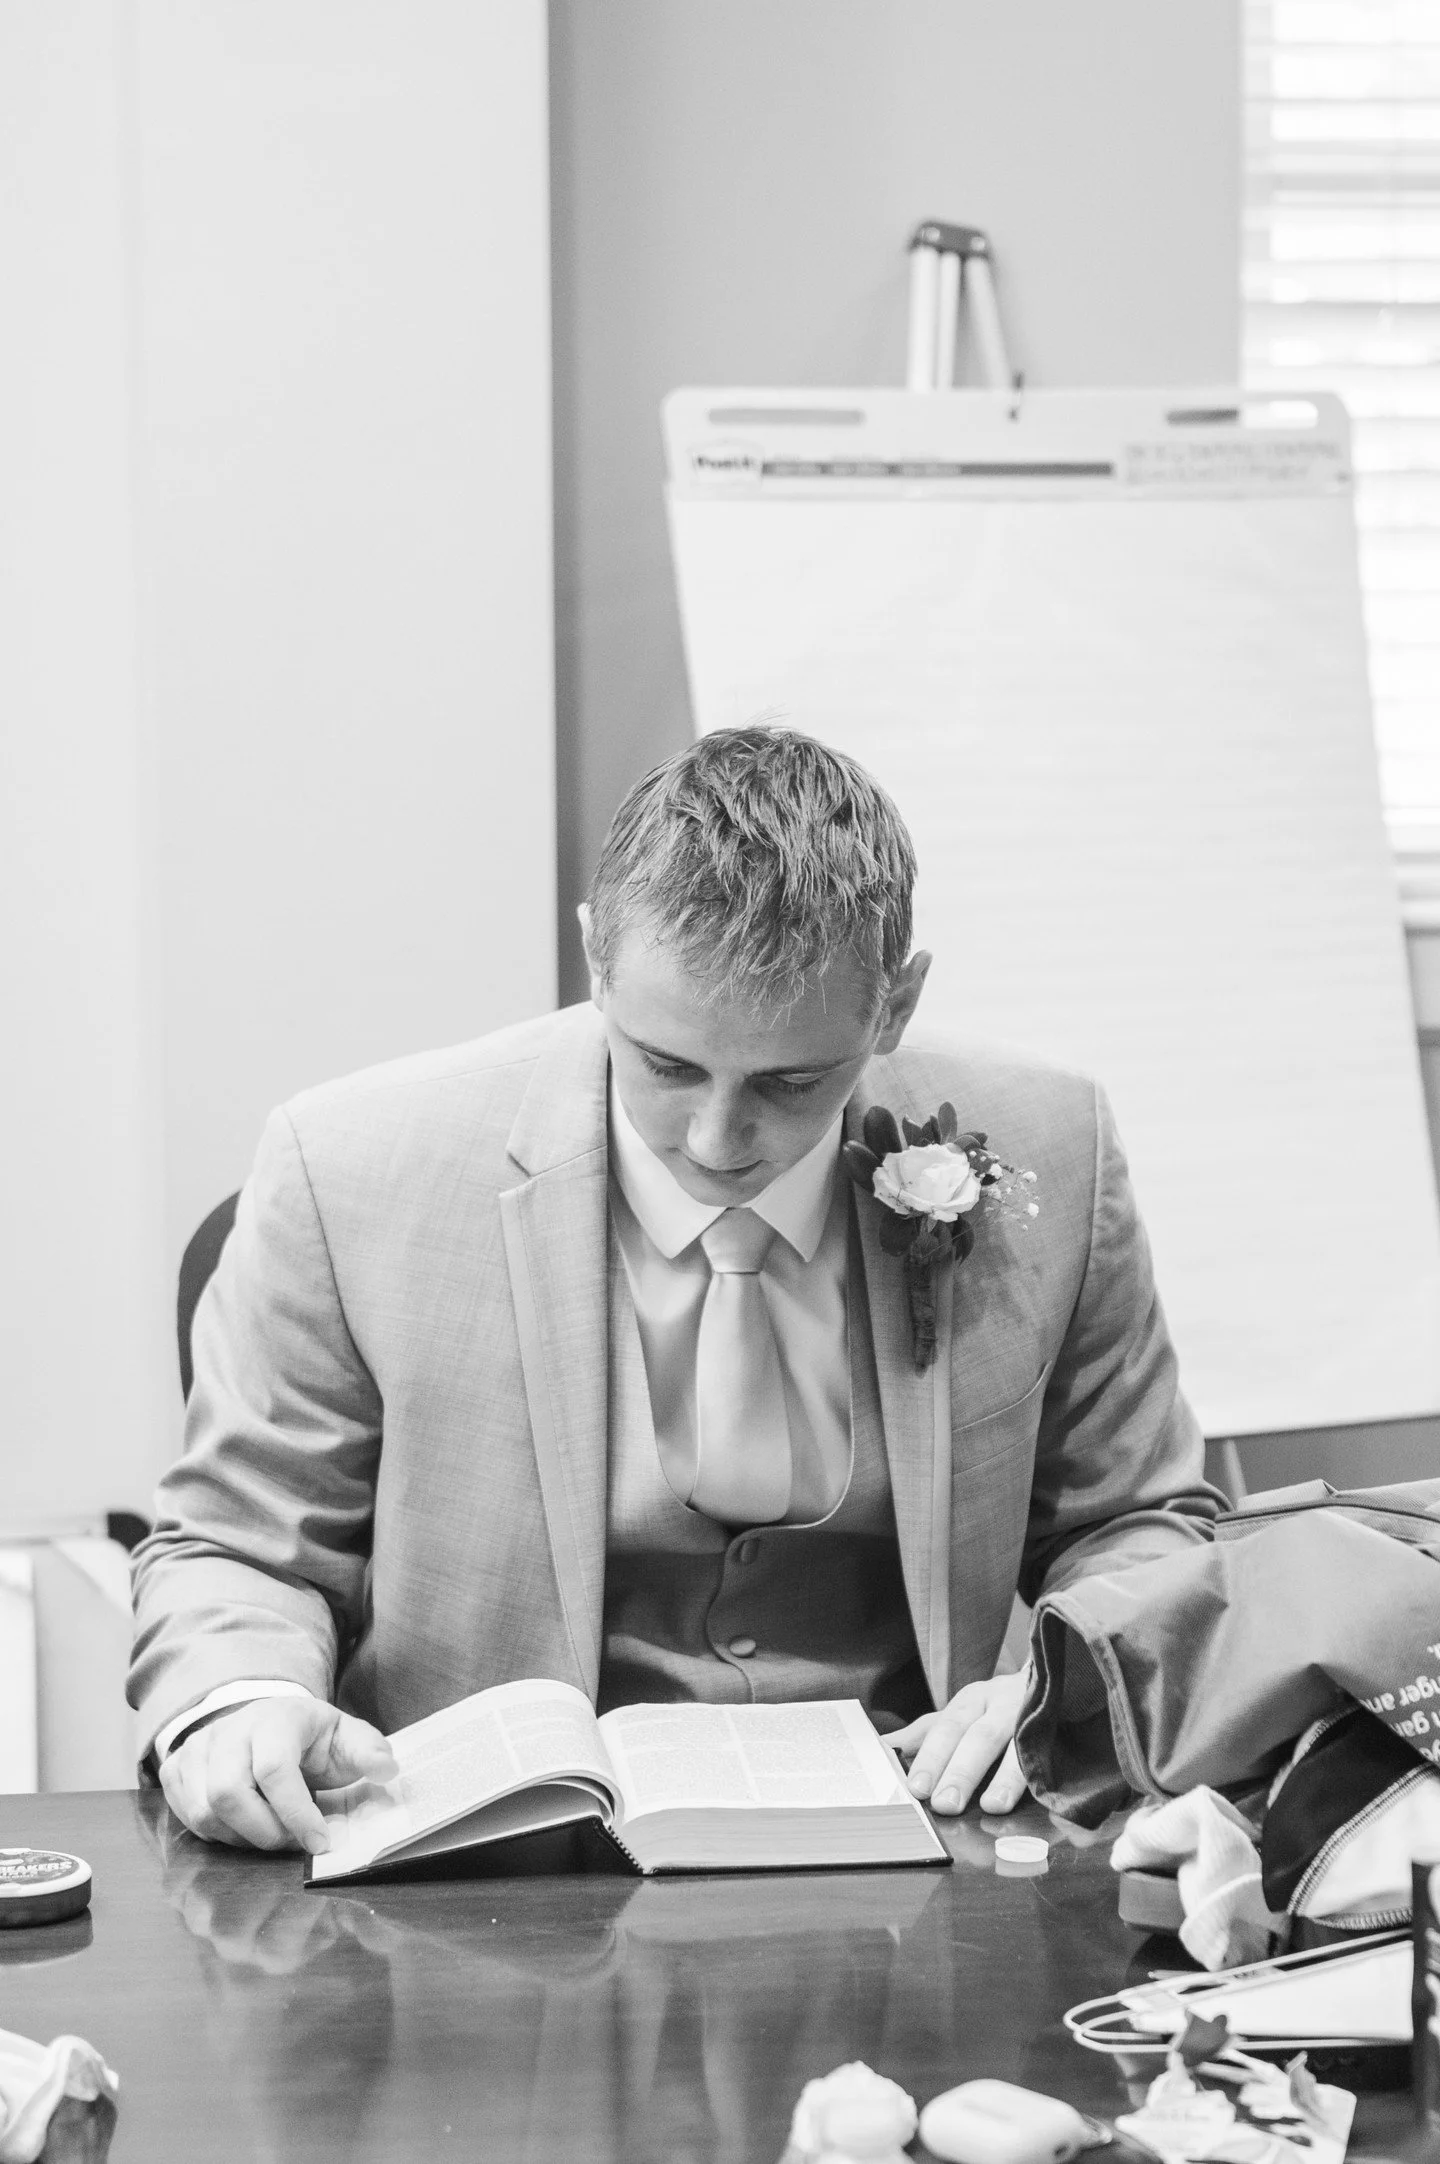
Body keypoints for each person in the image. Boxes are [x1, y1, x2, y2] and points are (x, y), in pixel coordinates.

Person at [129, 725, 1221, 1853]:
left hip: (923, 1844)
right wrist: (240, 1699)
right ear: (598, 958)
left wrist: (1066, 1676)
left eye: (793, 1082)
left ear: (894, 1005)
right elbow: (238, 1545)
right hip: (500, 1867)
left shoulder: (1054, 1141)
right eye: (666, 1064)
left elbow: (1143, 1522)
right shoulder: (351, 1170)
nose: (717, 1139)